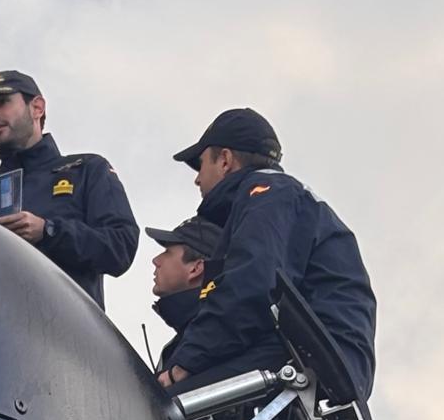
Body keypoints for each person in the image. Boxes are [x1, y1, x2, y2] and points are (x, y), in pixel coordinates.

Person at [155, 108, 376, 399]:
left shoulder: (267, 192)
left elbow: (251, 284)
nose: (197, 179)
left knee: (159, 409)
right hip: (326, 354)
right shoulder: (283, 198)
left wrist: (184, 365)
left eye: (200, 165)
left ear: (224, 160)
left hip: (311, 354)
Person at [0, 70, 138, 309]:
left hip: (67, 334)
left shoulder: (86, 169)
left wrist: (48, 232)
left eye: (1, 102)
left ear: (37, 107)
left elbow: (120, 247)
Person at [145, 216, 222, 377]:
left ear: (195, 268)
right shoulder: (192, 339)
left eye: (167, 252)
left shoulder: (204, 344)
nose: (156, 260)